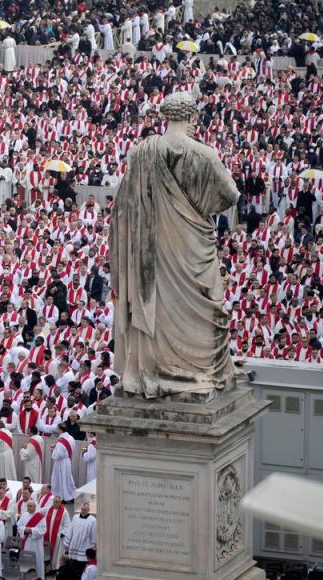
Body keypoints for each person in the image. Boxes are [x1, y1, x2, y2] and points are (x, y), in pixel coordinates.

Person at [111, 91, 239, 398]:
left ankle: (155, 368)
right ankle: (193, 370)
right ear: (192, 117)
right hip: (190, 246)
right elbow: (230, 194)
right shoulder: (203, 154)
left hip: (151, 250)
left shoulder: (141, 152)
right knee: (202, 307)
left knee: (157, 302)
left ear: (166, 116)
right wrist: (198, 204)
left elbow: (124, 207)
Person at [62, 502, 96, 580]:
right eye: (82, 509)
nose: (83, 511)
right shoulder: (75, 517)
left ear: (89, 510)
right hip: (74, 546)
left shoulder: (93, 520)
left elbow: (93, 534)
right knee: (73, 565)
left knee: (82, 566)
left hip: (84, 546)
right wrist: (67, 543)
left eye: (85, 510)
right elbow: (70, 530)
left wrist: (92, 546)